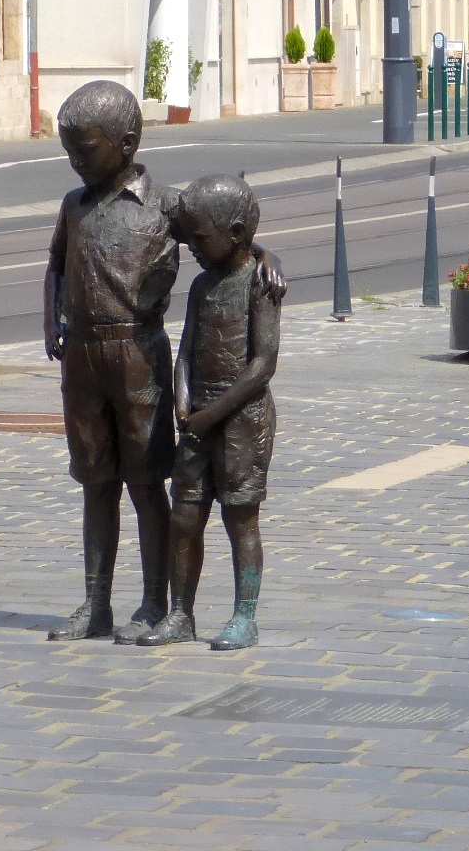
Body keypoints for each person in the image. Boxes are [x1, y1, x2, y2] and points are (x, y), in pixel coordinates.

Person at [42, 81, 180, 644]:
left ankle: (153, 603)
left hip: (137, 356)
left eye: (86, 151)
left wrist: (265, 258)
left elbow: (229, 234)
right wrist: (51, 319)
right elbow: (55, 264)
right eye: (69, 151)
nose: (75, 163)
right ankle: (95, 602)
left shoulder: (164, 205)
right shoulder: (73, 207)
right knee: (95, 481)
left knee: (146, 482)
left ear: (125, 144)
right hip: (83, 360)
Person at [140, 174, 279, 652]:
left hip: (241, 420)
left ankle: (245, 616)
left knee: (241, 517)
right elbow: (185, 351)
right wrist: (182, 399)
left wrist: (212, 413)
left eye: (200, 237)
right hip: (198, 417)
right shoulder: (202, 285)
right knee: (185, 515)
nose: (192, 247)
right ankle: (181, 612)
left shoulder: (259, 284)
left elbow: (261, 366)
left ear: (236, 233)